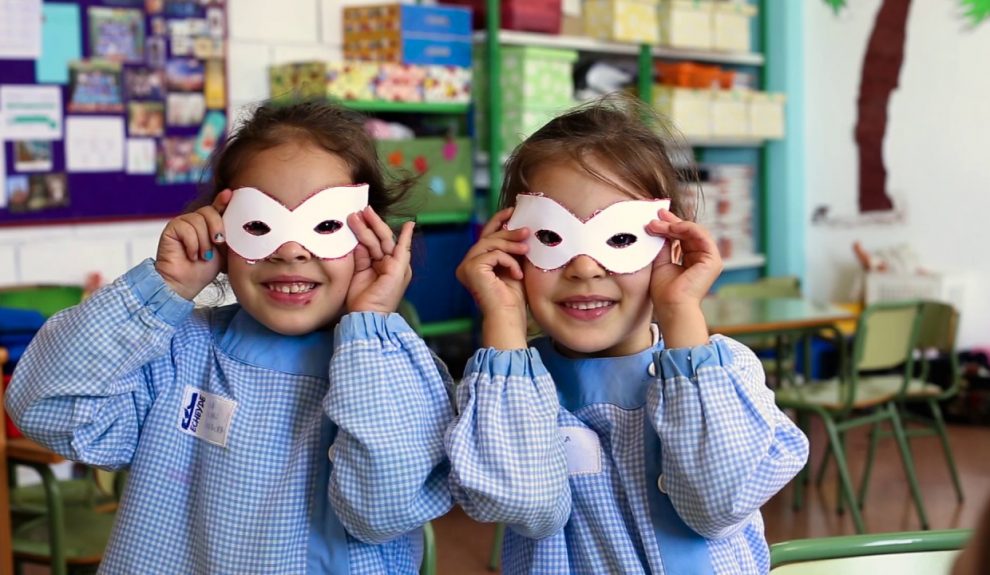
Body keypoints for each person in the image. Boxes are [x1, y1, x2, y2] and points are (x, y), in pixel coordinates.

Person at [5, 100, 454, 574]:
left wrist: (369, 334)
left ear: (370, 236)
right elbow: (47, 410)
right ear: (221, 231)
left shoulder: (396, 367)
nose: (290, 249)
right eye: (260, 225)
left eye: (326, 226)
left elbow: (387, 509)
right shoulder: (179, 354)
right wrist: (162, 289)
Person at [446, 95, 810, 574]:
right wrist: (504, 321)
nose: (583, 266)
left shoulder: (724, 373)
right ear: (512, 248)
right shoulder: (509, 392)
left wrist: (680, 309)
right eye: (551, 238)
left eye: (619, 239)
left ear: (670, 245)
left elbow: (718, 505)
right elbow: (523, 504)